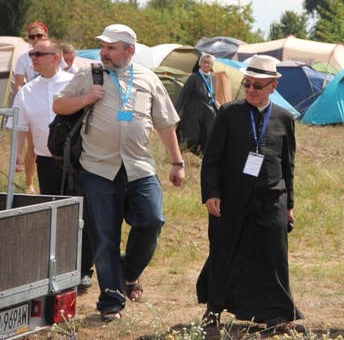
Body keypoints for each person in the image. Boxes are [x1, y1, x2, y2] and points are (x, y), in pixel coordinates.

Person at [53, 23, 185, 322]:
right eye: (103, 46)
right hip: (98, 169)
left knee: (153, 220)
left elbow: (165, 124)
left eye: (111, 47)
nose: (105, 52)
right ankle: (111, 301)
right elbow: (59, 104)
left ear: (130, 51)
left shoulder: (149, 79)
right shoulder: (89, 74)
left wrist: (177, 163)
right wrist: (86, 99)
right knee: (105, 238)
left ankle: (128, 272)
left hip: (139, 167)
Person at [197, 54, 303, 332]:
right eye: (247, 84)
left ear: (273, 86)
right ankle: (214, 309)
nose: (251, 90)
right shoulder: (229, 113)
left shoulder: (284, 118)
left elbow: (287, 164)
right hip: (231, 198)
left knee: (273, 254)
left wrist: (289, 204)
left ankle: (277, 314)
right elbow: (212, 159)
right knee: (224, 251)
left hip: (272, 198)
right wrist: (211, 193)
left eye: (258, 85)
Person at [11, 38, 95, 288]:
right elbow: (18, 126)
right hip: (46, 163)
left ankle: (83, 269)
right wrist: (16, 153)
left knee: (82, 215)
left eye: (38, 54)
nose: (33, 58)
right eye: (31, 54)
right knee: (52, 215)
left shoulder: (75, 83)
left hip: (79, 161)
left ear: (55, 57)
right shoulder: (27, 90)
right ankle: (55, 268)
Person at [13, 21, 49, 194]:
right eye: (32, 36)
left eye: (39, 35)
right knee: (33, 147)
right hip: (33, 104)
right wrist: (26, 97)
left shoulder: (54, 54)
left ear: (46, 36)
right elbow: (18, 84)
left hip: (52, 104)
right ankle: (29, 183)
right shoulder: (23, 58)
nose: (35, 39)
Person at [175, 53, 219, 156]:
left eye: (209, 63)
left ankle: (201, 156)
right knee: (191, 136)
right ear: (200, 63)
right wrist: (175, 111)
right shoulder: (194, 78)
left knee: (206, 135)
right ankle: (181, 155)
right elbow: (183, 94)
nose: (206, 65)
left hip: (207, 112)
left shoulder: (213, 78)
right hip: (193, 112)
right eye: (204, 62)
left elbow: (212, 93)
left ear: (212, 65)